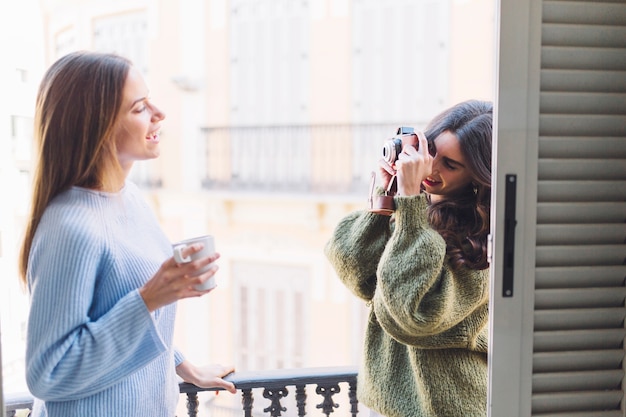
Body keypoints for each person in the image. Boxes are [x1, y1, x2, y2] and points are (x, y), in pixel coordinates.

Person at [18, 50, 237, 417]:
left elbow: (113, 309)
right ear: (97, 126)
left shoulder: (131, 200)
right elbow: (47, 373)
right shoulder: (69, 227)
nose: (159, 113)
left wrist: (180, 363)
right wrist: (149, 298)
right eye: (138, 108)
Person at [324, 100, 493, 417]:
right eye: (431, 155)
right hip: (389, 406)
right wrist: (385, 195)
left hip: (447, 407)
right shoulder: (412, 214)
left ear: (476, 176)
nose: (431, 169)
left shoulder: (480, 239)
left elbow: (413, 314)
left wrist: (411, 204)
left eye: (451, 165)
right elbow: (356, 271)